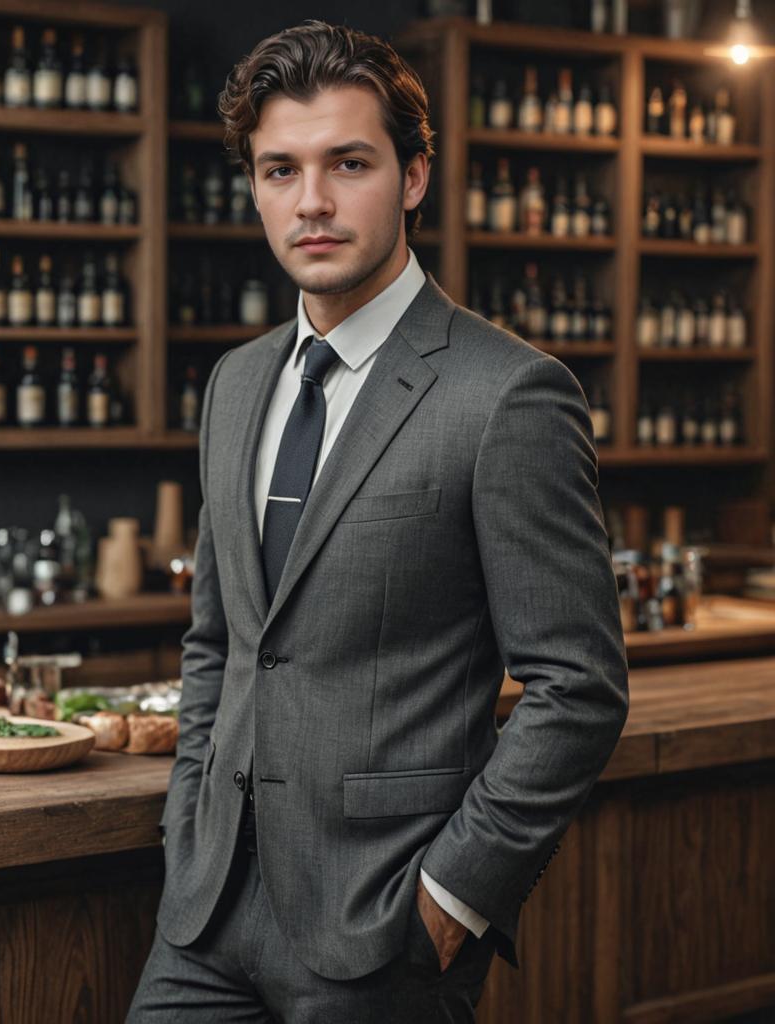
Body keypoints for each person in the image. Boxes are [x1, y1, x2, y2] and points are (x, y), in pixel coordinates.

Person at [129, 20, 628, 1023]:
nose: (309, 201)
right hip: (206, 920)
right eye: (279, 169)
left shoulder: (508, 395)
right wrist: (190, 829)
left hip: (382, 935)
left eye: (346, 162)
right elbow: (220, 642)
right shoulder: (234, 384)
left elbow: (578, 686)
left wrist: (449, 902)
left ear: (411, 177)